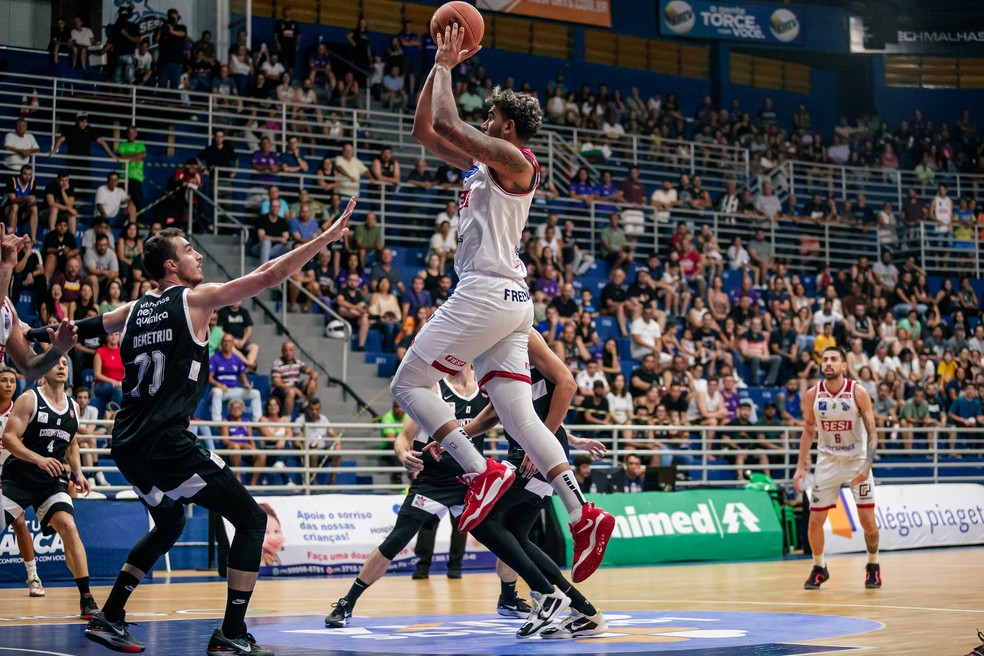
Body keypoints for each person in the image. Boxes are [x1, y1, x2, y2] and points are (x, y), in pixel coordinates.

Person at [71, 200, 353, 655]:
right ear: (171, 265)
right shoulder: (194, 299)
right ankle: (231, 634)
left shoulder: (135, 309)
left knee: (169, 521)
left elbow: (87, 327)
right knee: (250, 519)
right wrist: (322, 240)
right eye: (189, 250)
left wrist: (43, 334)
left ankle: (110, 616)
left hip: (126, 441)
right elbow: (269, 276)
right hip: (165, 440)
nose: (198, 255)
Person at [390, 24, 613, 590]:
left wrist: (445, 63)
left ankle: (478, 470)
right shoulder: (485, 166)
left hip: (488, 291)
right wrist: (436, 68)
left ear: (506, 127)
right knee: (518, 412)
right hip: (512, 301)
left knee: (409, 387)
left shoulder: (517, 161)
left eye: (489, 117)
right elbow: (426, 129)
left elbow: (448, 124)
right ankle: (582, 511)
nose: (483, 123)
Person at [324, 366, 527, 625]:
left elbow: (521, 419)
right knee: (395, 541)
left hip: (469, 481)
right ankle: (347, 603)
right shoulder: (435, 388)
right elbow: (403, 437)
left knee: (505, 538)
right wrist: (402, 454)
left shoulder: (486, 388)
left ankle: (508, 598)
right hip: (433, 480)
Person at [1, 357, 96, 619]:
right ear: (44, 368)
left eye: (66, 361)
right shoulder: (30, 399)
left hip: (50, 482)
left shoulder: (74, 408)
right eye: (56, 361)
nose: (63, 365)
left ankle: (87, 598)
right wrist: (38, 459)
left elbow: (73, 445)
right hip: (19, 477)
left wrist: (78, 473)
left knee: (69, 526)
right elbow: (9, 438)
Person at [794, 346, 881, 591]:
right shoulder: (813, 394)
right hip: (828, 462)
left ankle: (873, 565)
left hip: (856, 462)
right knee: (814, 522)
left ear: (844, 366)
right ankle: (819, 567)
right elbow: (808, 430)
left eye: (834, 360)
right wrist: (800, 467)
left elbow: (873, 433)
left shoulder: (858, 392)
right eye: (825, 360)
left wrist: (867, 464)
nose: (828, 363)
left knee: (868, 522)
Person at [0, 367, 46, 596]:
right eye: (4, 381)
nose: (9, 384)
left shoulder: (20, 410)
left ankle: (33, 576)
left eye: (12, 381)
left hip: (10, 475)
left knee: (19, 521)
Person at [209, 333, 263, 423]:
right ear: (221, 343)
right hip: (221, 390)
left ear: (233, 343)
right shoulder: (214, 358)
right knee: (216, 392)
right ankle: (217, 421)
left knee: (255, 393)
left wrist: (246, 384)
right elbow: (209, 378)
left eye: (229, 341)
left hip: (234, 390)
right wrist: (219, 385)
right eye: (225, 341)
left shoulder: (237, 359)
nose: (227, 343)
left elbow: (243, 377)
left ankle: (257, 421)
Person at [270, 339, 318, 418]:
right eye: (286, 350)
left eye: (290, 350)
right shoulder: (277, 363)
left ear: (294, 351)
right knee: (291, 392)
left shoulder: (298, 362)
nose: (288, 352)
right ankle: (287, 417)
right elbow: (277, 383)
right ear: (282, 351)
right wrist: (294, 389)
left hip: (295, 386)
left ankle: (306, 403)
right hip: (281, 389)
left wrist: (314, 376)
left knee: (312, 381)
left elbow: (311, 372)